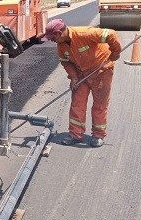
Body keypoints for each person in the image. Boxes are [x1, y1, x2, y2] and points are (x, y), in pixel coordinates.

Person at [43, 18, 122, 148]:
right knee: (77, 103)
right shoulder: (61, 45)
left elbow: (110, 34)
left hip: (101, 71)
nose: (51, 40)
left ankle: (98, 134)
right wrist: (73, 78)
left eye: (52, 37)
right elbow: (65, 61)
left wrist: (115, 53)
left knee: (100, 104)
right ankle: (75, 134)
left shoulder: (85, 33)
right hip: (81, 74)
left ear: (59, 33)